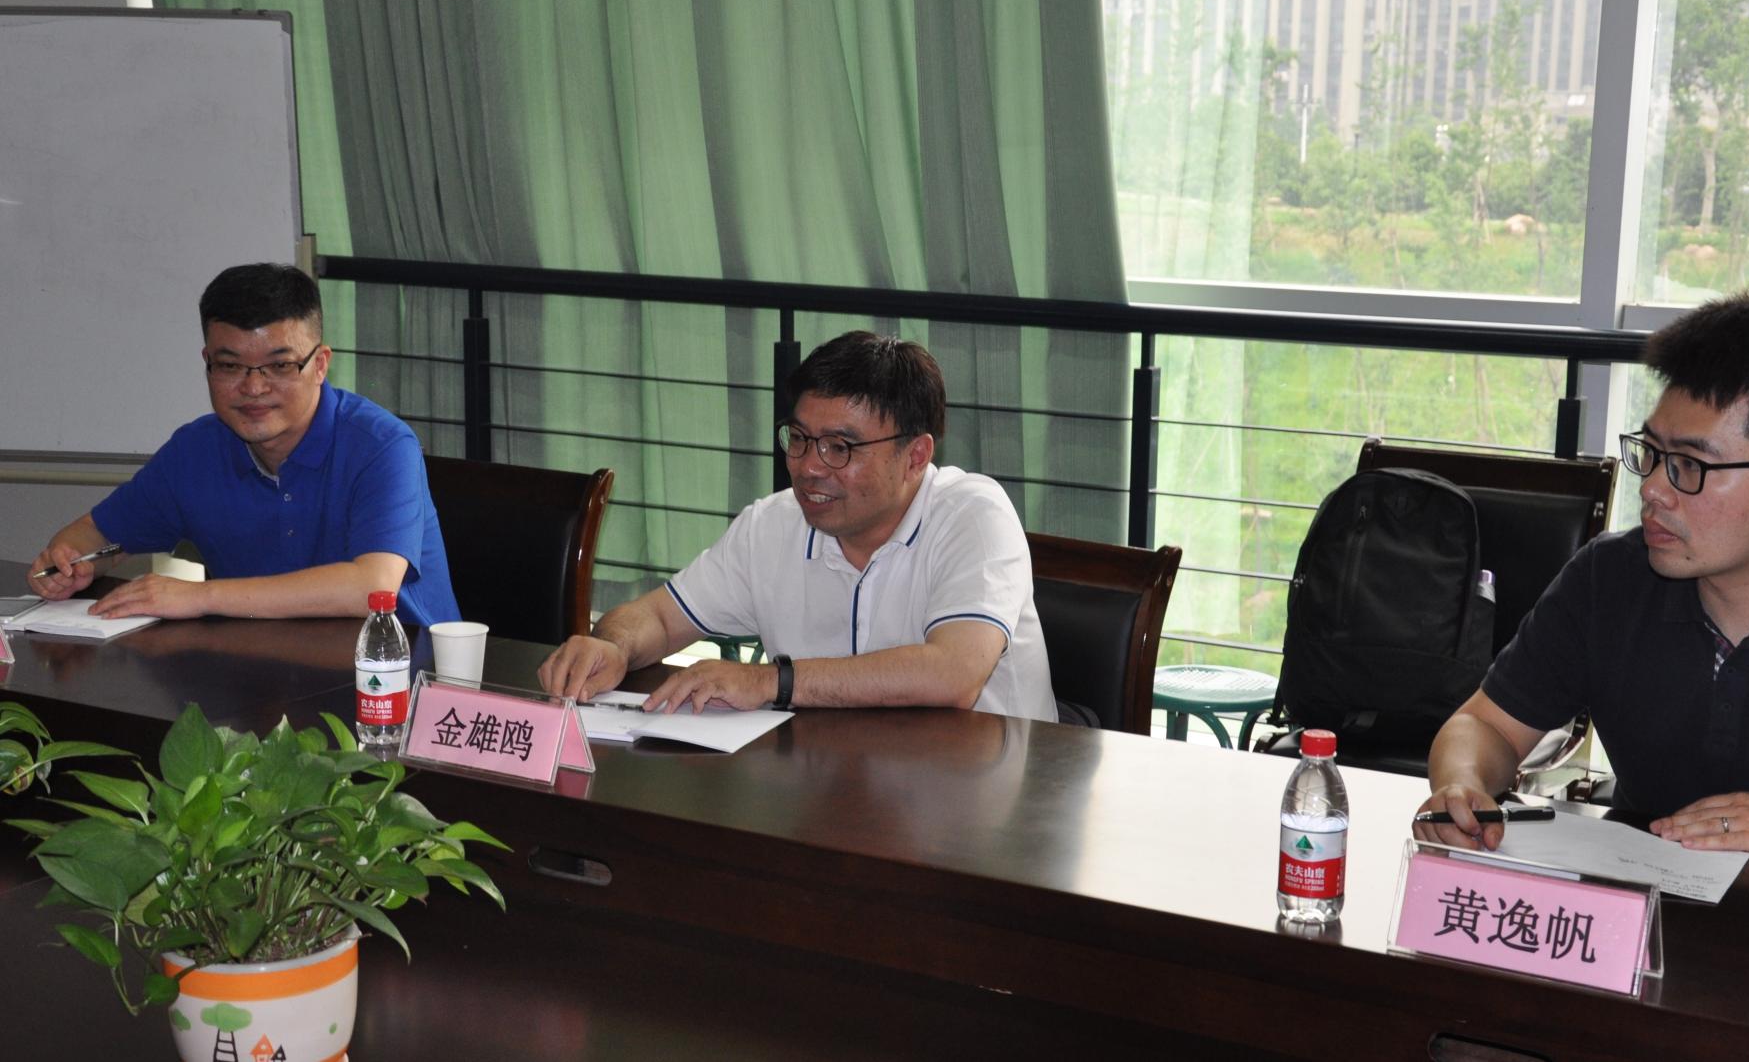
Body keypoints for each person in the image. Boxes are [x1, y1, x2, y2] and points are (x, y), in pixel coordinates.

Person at [1417, 289, 1749, 867]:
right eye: (1651, 453)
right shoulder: (1610, 579)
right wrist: (1461, 786)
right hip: (1648, 907)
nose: (1653, 488)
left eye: (1689, 465)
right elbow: (1487, 726)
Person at [539, 331, 1057, 722]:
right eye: (801, 438)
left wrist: (771, 681)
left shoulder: (974, 516)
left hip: (989, 801)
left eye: (840, 447)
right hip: (833, 791)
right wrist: (613, 645)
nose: (809, 466)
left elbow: (953, 674)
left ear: (916, 456)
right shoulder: (773, 524)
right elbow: (659, 616)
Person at [27, 263, 458, 629]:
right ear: (208, 364)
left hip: (397, 678)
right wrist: (71, 563)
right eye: (231, 366)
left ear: (320, 365)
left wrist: (200, 596)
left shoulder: (381, 446)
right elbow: (98, 534)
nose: (253, 388)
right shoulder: (196, 450)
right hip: (261, 671)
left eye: (280, 365)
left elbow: (372, 588)